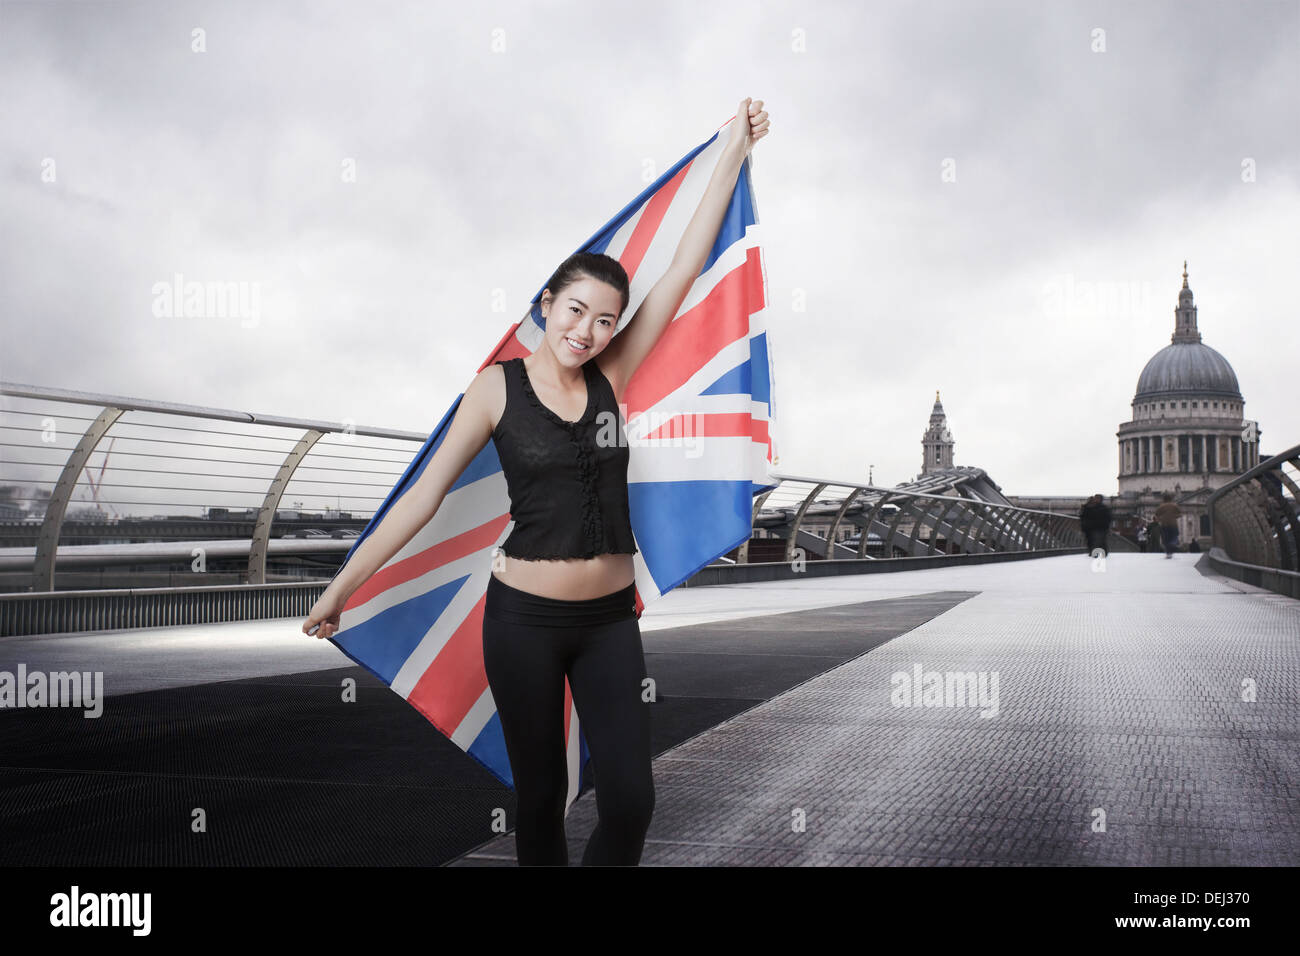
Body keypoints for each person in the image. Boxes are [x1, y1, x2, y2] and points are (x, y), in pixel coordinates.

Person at [303, 98, 771, 866]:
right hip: (521, 622)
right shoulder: (496, 388)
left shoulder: (611, 374)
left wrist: (732, 153)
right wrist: (340, 587)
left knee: (631, 798)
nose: (586, 331)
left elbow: (685, 265)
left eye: (604, 321)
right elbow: (424, 498)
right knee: (541, 800)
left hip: (610, 623)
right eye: (575, 310)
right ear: (547, 303)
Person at [1153, 493, 1181, 558]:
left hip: (1164, 525)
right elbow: (1180, 514)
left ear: (1164, 499)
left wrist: (1161, 519)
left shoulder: (1161, 506)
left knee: (1166, 539)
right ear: (1171, 499)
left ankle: (1169, 553)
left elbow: (1156, 515)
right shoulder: (1175, 506)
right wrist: (1174, 516)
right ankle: (1173, 544)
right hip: (1173, 524)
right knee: (1174, 536)